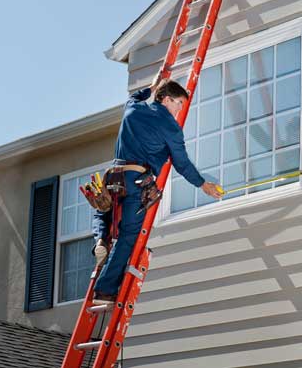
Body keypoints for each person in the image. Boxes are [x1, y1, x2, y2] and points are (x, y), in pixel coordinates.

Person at [92, 78, 222, 304]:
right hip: (135, 180)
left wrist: (151, 87)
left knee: (104, 211)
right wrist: (203, 184)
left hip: (113, 177)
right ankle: (105, 290)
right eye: (179, 103)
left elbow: (135, 96)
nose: (180, 109)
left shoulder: (133, 108)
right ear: (168, 99)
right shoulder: (170, 126)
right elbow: (182, 163)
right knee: (129, 235)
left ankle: (100, 240)